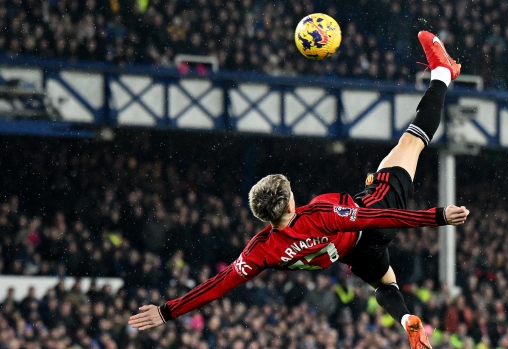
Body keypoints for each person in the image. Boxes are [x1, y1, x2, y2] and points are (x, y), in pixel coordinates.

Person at [129, 30, 464, 349]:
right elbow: (378, 216)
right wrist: (438, 216)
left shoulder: (261, 250)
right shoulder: (319, 213)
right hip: (370, 220)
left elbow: (217, 285)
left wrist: (167, 311)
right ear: (289, 201)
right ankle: (442, 74)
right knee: (412, 141)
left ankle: (405, 318)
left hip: (354, 254)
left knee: (385, 283)